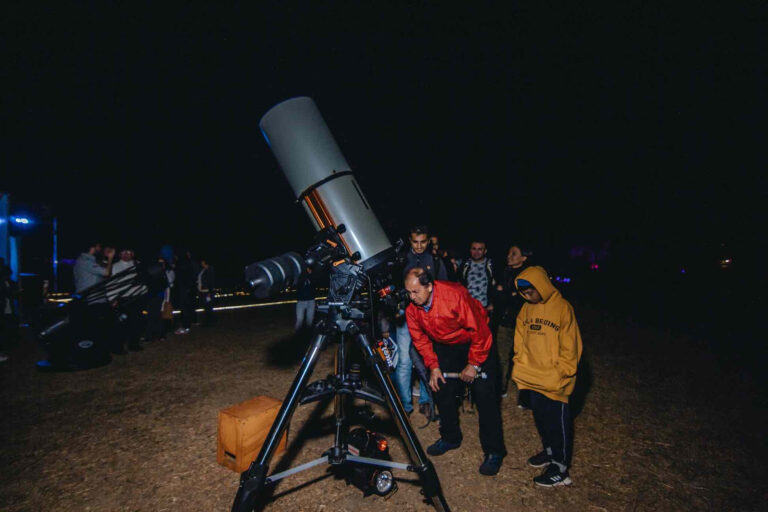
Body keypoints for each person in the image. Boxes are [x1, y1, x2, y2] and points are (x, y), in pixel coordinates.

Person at [405, 268, 506, 476]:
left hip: (476, 341)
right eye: (408, 292)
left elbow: (480, 330)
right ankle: (450, 437)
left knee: (486, 396)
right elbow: (420, 341)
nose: (411, 297)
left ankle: (494, 451)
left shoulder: (454, 295)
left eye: (416, 292)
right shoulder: (412, 308)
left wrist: (474, 363)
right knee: (440, 387)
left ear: (430, 286)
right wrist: (433, 366)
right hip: (446, 345)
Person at [512, 266, 582, 487]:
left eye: (531, 291)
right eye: (523, 293)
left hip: (554, 380)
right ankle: (550, 452)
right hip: (532, 377)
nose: (527, 296)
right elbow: (519, 339)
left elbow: (571, 347)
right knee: (541, 418)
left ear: (542, 285)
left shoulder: (563, 308)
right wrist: (520, 364)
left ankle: (560, 469)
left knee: (557, 423)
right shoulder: (525, 309)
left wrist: (562, 372)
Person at [394, 225, 447, 418]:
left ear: (428, 240)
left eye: (422, 242)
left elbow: (442, 288)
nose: (418, 246)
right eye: (415, 242)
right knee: (404, 361)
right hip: (405, 315)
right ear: (409, 240)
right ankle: (405, 405)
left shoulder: (435, 260)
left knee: (428, 359)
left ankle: (426, 400)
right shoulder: (400, 260)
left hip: (428, 315)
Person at [495, 244, 532, 402]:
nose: (509, 256)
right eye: (509, 252)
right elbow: (497, 295)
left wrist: (504, 292)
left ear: (523, 258)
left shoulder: (527, 275)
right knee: (501, 355)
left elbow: (521, 298)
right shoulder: (505, 271)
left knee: (523, 357)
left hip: (521, 322)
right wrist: (506, 293)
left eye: (514, 253)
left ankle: (524, 396)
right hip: (504, 320)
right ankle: (501, 388)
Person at [73, 242, 119, 353]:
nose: (100, 248)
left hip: (91, 298)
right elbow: (106, 273)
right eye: (99, 246)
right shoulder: (86, 261)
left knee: (96, 326)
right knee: (101, 326)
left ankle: (98, 348)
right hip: (93, 299)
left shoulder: (84, 260)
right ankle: (98, 349)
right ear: (93, 247)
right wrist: (110, 258)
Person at [109, 249, 147, 351]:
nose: (127, 255)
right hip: (123, 298)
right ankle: (118, 346)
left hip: (137, 297)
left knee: (136, 321)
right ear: (120, 254)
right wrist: (112, 298)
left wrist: (144, 292)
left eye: (129, 253)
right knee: (122, 323)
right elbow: (111, 283)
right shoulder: (115, 266)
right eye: (124, 253)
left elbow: (143, 280)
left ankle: (134, 344)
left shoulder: (137, 264)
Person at [458, 240, 497, 316]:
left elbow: (497, 286)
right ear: (470, 250)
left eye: (480, 249)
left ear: (485, 251)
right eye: (474, 249)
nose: (476, 252)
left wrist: (493, 303)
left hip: (485, 308)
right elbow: (459, 284)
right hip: (468, 308)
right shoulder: (465, 265)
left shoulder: (491, 265)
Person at [294, 267, 316, 332]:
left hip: (311, 301)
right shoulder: (299, 278)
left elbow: (316, 281)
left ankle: (308, 335)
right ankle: (297, 335)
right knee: (299, 319)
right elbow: (296, 284)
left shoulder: (312, 277)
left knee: (310, 320)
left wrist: (311, 274)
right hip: (301, 301)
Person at [197, 258, 215, 327]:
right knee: (206, 307)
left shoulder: (210, 270)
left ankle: (209, 322)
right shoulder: (204, 270)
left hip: (207, 291)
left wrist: (210, 291)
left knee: (208, 307)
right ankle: (208, 321)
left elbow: (211, 281)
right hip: (203, 291)